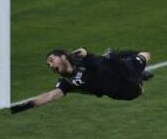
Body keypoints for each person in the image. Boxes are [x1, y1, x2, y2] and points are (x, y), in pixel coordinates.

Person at [10, 48, 154, 114]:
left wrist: (84, 52)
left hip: (121, 69)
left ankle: (139, 72)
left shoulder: (80, 61)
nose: (51, 66)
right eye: (49, 65)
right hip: (121, 92)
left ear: (63, 56)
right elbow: (50, 96)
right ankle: (140, 76)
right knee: (139, 90)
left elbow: (86, 54)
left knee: (144, 54)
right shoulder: (68, 83)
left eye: (52, 60)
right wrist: (25, 106)